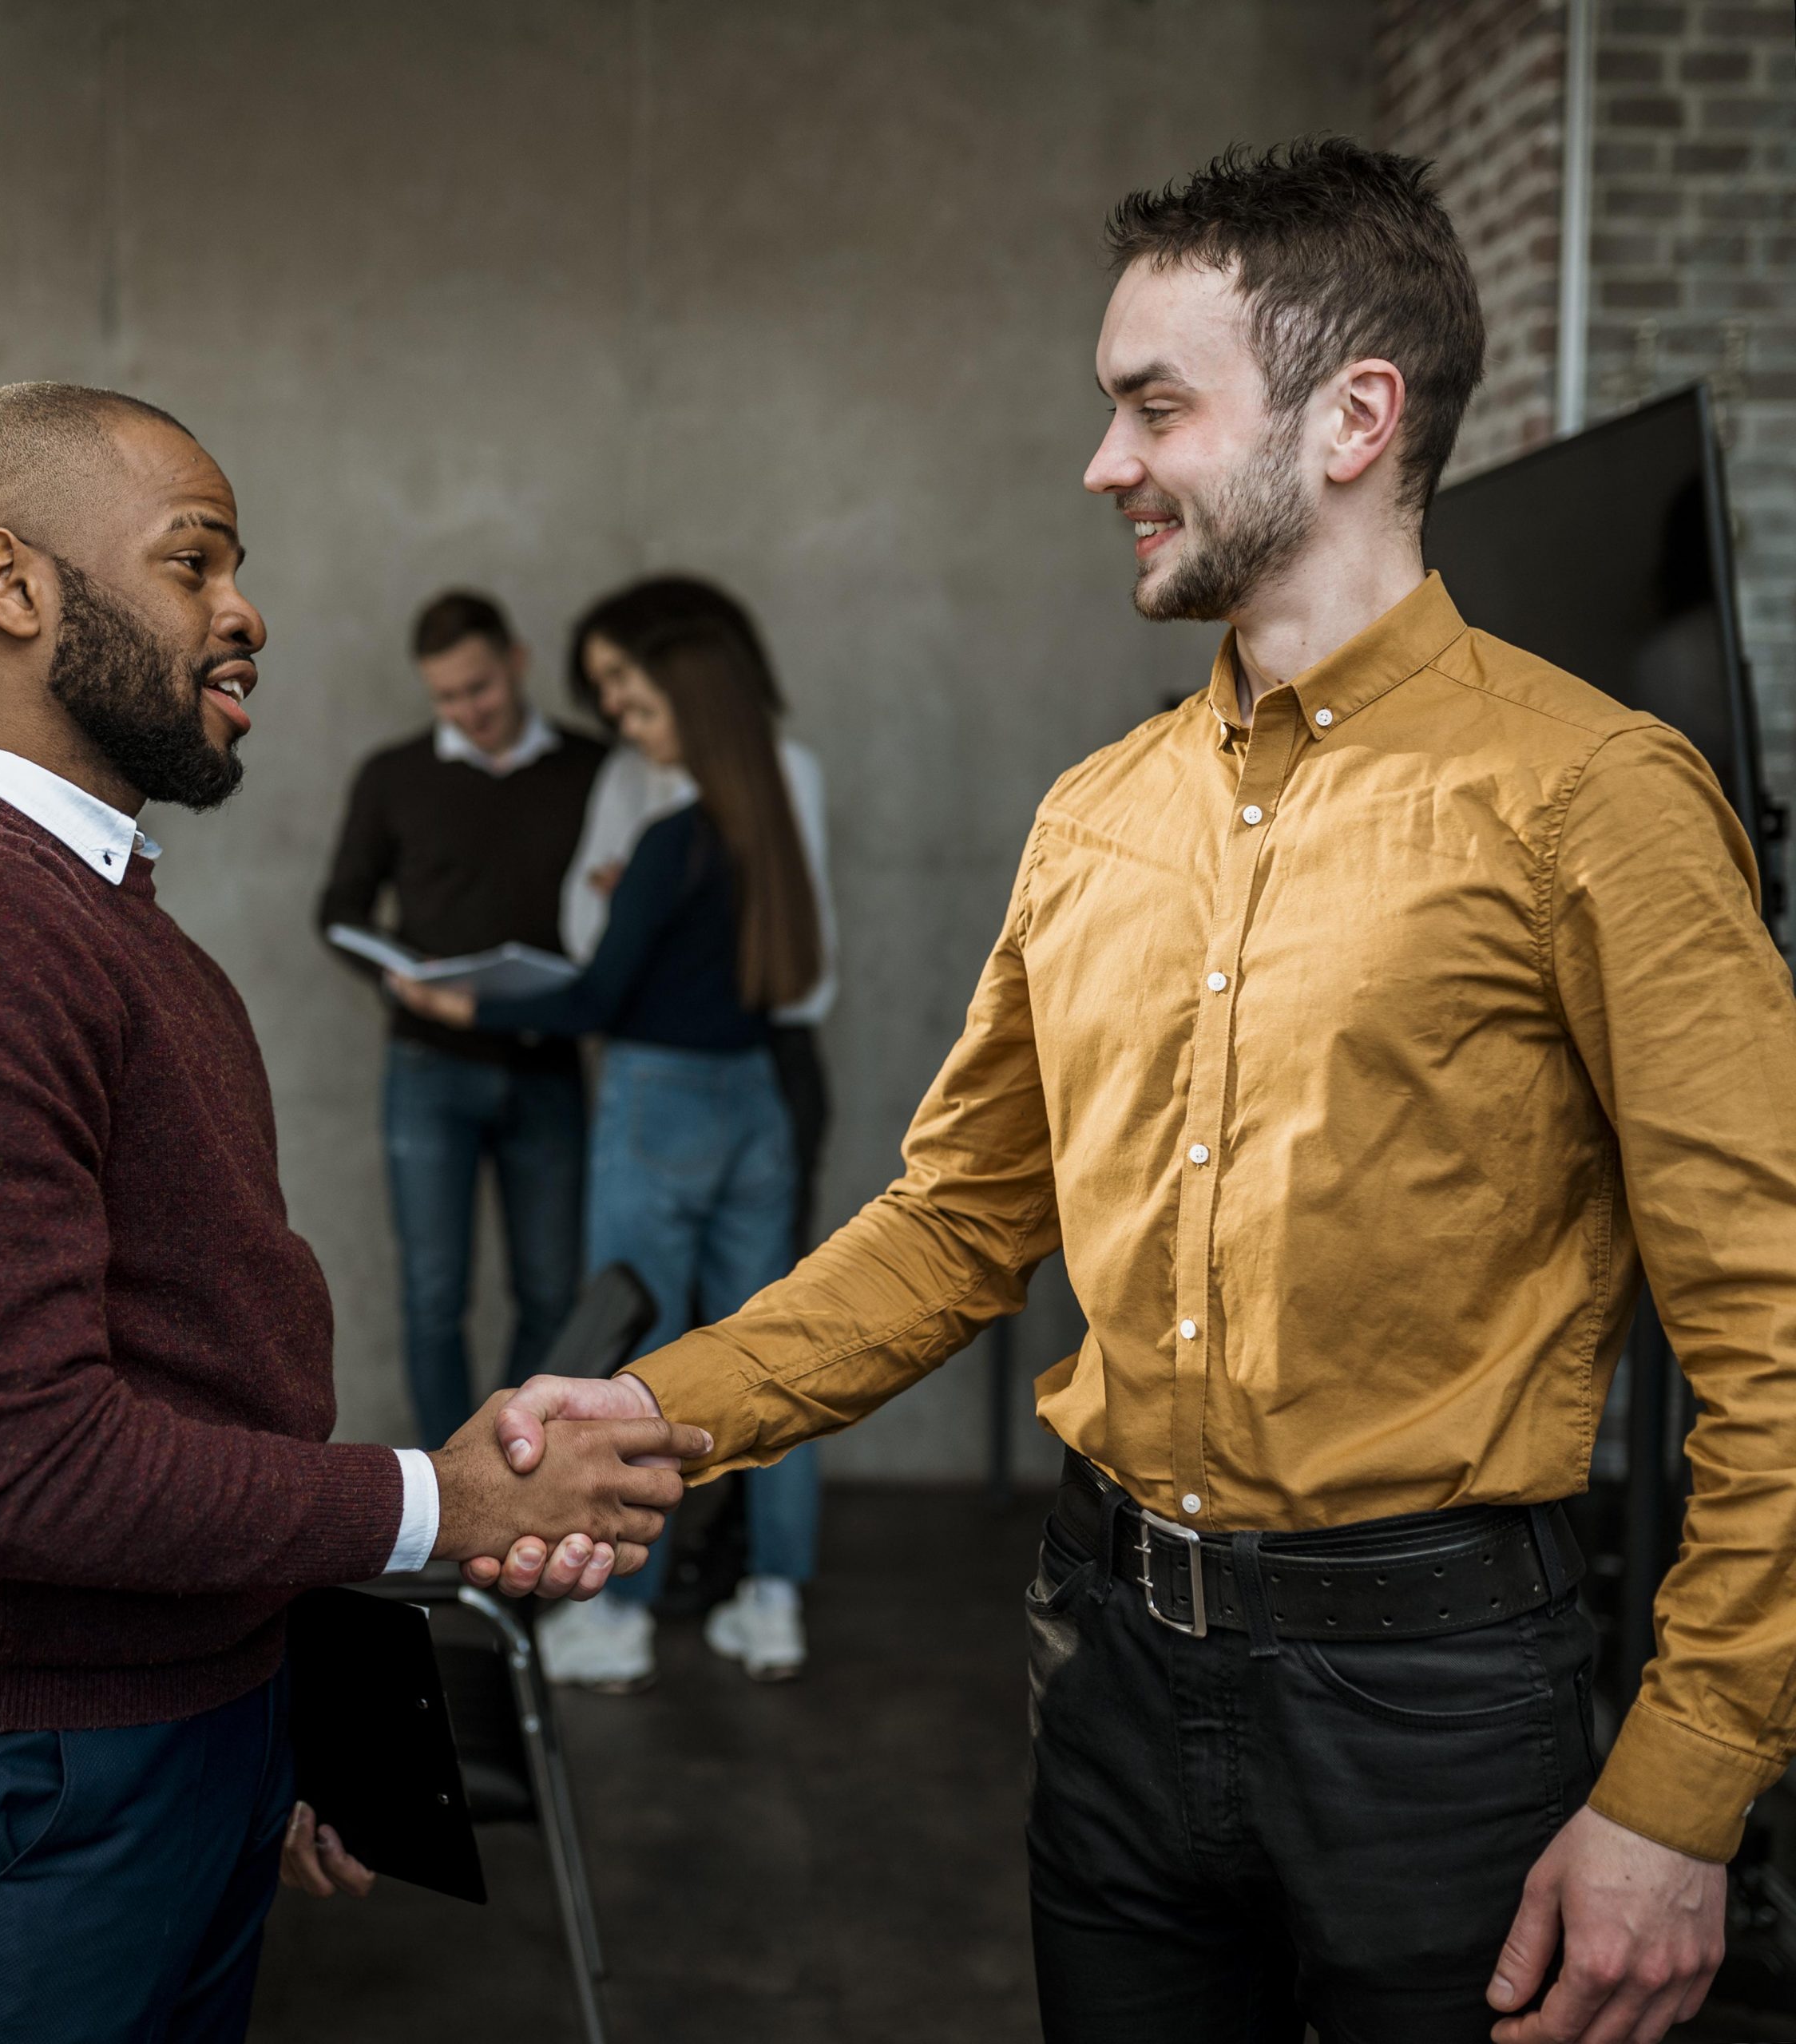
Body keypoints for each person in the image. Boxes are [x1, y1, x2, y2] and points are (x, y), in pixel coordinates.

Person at [474, 141, 1775, 2042]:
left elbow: (1770, 1321)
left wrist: (1680, 1786)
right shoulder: (1095, 815)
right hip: (1100, 1669)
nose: (1103, 465)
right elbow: (951, 1227)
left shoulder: (1592, 796)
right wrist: (656, 1411)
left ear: (1352, 416)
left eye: (1152, 407)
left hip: (1432, 1698)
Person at [0, 382, 705, 2044]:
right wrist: (446, 1504)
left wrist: (263, 1722)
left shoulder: (88, 913)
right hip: (45, 1781)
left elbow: (187, 1375)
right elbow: (20, 1470)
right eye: (193, 563)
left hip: (171, 1733)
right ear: (16, 586)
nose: (245, 610)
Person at [413, 616, 823, 1692]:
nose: (632, 735)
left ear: (699, 715)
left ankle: (620, 1616)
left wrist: (454, 1000)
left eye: (642, 711)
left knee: (631, 1368)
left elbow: (594, 995)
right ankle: (774, 1603)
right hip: (756, 1100)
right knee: (776, 1360)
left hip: (658, 1098)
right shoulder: (770, 834)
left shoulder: (674, 837)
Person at [319, 591, 605, 1448]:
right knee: (433, 1293)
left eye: (478, 688)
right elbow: (338, 909)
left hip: (547, 1061)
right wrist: (397, 976)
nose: (465, 711)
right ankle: (455, 1489)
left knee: (553, 1291)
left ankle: (517, 1463)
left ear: (517, 661)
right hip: (428, 1066)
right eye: (445, 696)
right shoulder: (393, 775)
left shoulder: (594, 769)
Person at [563, 575, 838, 1257]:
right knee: (652, 1319)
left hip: (762, 1056)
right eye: (599, 683)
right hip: (655, 1059)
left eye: (621, 673)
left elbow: (798, 952)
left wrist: (642, 895)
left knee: (751, 1318)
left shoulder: (782, 772)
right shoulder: (626, 779)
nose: (611, 701)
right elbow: (582, 933)